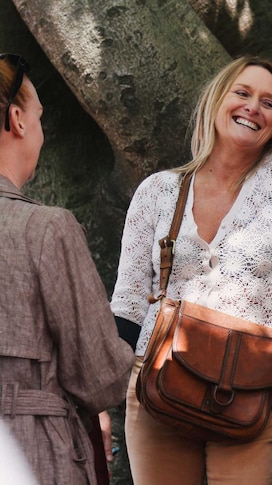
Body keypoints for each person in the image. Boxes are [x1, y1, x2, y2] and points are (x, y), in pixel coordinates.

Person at [111, 55, 272, 484]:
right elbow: (126, 304)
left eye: (269, 103)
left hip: (248, 390)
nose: (254, 107)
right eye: (243, 93)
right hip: (157, 386)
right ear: (218, 100)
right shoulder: (157, 191)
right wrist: (99, 399)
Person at [0, 52, 136, 484]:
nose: (40, 130)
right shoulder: (44, 229)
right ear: (18, 120)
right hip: (30, 453)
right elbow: (100, 379)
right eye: (40, 116)